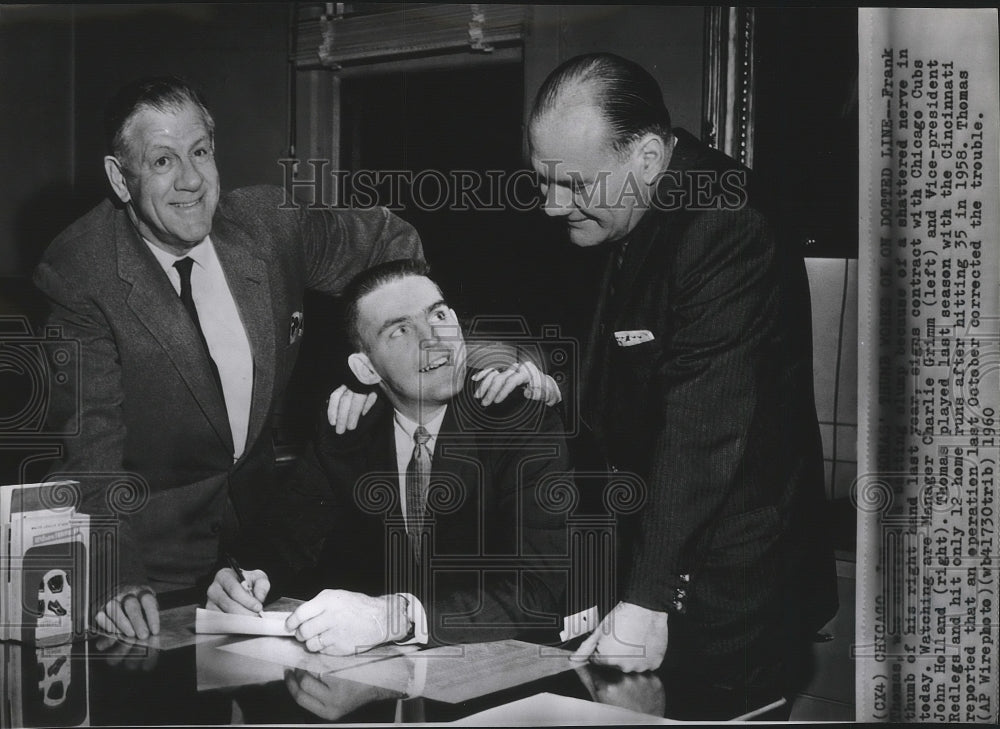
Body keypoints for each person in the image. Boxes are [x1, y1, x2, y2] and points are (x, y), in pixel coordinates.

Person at [32, 76, 423, 640]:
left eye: (201, 152)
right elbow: (87, 455)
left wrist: (375, 365)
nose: (191, 180)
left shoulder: (268, 226)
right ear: (121, 178)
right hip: (151, 584)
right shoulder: (78, 273)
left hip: (265, 566)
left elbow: (392, 240)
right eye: (162, 160)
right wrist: (113, 576)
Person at [527, 53, 838, 693]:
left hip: (730, 592)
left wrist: (646, 600)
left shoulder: (724, 225)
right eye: (542, 180)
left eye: (574, 186)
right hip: (643, 566)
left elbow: (703, 429)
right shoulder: (620, 212)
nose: (552, 206)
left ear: (645, 158)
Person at [206, 259, 571, 653]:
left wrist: (395, 617)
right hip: (393, 686)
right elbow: (283, 545)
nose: (434, 338)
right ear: (365, 368)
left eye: (439, 314)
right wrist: (242, 578)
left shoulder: (520, 422)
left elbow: (538, 593)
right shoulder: (347, 432)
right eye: (399, 330)